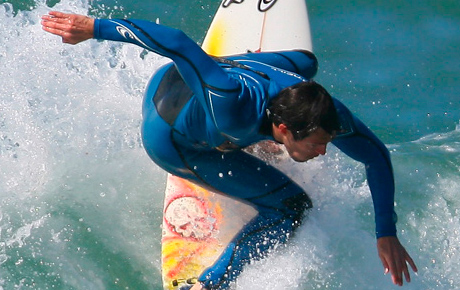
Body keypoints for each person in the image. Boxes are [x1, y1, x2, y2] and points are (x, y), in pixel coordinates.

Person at [41, 11, 418, 290]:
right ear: (284, 128)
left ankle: (250, 83)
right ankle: (208, 284)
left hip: (212, 80)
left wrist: (385, 231)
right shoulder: (232, 104)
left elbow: (375, 155)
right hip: (171, 133)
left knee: (305, 62)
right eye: (317, 144)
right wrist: (94, 28)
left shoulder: (331, 116)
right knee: (291, 207)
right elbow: (176, 42)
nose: (324, 150)